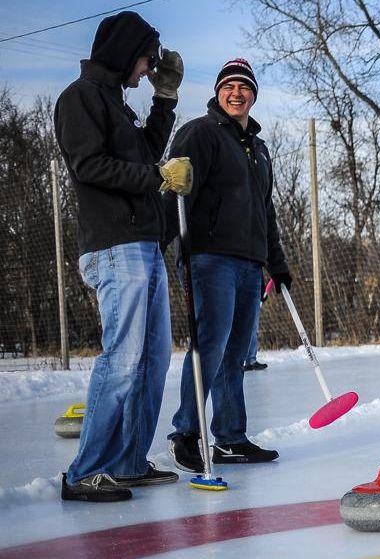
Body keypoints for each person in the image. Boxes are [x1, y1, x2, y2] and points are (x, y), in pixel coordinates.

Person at [53, 11, 187, 501]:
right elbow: (89, 166)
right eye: (148, 58)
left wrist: (165, 100)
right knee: (125, 358)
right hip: (113, 245)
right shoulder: (79, 99)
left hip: (145, 243)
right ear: (127, 50)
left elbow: (147, 151)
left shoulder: (118, 104)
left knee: (152, 359)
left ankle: (128, 462)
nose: (149, 67)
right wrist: (154, 177)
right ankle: (86, 470)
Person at [164, 58, 292, 472]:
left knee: (236, 353)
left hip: (249, 264)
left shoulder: (259, 149)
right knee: (211, 345)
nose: (237, 93)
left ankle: (231, 438)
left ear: (254, 94)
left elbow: (264, 212)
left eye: (245, 87)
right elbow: (175, 190)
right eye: (229, 86)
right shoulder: (200, 133)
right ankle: (186, 431)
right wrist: (158, 240)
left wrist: (277, 264)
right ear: (218, 92)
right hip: (210, 258)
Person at [244, 276, 272, 371]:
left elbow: (259, 275)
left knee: (253, 329)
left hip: (255, 294)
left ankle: (251, 360)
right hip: (241, 292)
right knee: (242, 329)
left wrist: (263, 292)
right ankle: (241, 360)